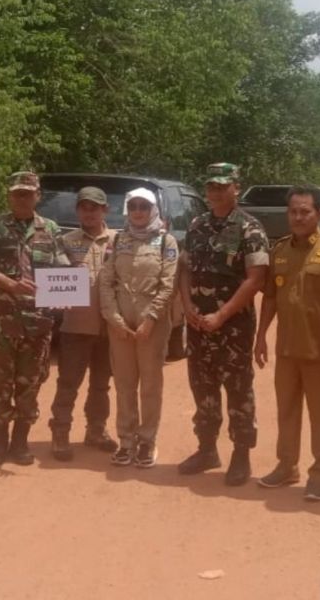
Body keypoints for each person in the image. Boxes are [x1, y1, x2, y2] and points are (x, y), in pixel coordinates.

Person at [254, 186, 320, 501]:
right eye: (293, 211)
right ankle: (287, 466)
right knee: (286, 410)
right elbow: (271, 298)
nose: (298, 217)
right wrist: (261, 336)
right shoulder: (280, 250)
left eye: (305, 211)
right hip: (287, 349)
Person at [177, 162, 270, 486]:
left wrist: (222, 314)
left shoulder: (250, 228)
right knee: (202, 388)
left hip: (233, 327)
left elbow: (255, 279)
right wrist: (187, 306)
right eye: (211, 186)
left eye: (222, 186)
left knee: (238, 390)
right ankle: (207, 450)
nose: (215, 192)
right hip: (200, 326)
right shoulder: (197, 225)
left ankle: (241, 454)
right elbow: (185, 268)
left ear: (236, 188)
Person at [0, 170, 70, 465]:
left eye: (28, 193)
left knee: (30, 383)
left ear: (38, 196)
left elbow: (62, 270)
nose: (22, 198)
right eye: (17, 193)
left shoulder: (51, 229)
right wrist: (9, 284)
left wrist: (68, 294)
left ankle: (20, 442)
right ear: (9, 195)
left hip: (38, 323)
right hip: (2, 321)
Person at [99, 188, 179, 467]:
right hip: (120, 322)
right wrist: (114, 319)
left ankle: (147, 440)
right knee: (124, 384)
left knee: (150, 384)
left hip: (151, 324)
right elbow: (106, 281)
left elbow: (168, 284)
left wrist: (151, 319)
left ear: (153, 209)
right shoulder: (118, 240)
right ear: (126, 210)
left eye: (144, 206)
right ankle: (126, 440)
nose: (138, 212)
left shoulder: (165, 241)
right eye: (133, 206)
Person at [49, 186, 117, 461]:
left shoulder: (119, 240)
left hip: (110, 326)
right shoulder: (65, 241)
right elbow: (52, 276)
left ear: (105, 210)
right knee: (68, 382)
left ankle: (96, 430)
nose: (89, 213)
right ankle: (61, 432)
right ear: (77, 210)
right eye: (84, 207)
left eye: (95, 207)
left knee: (102, 384)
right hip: (76, 325)